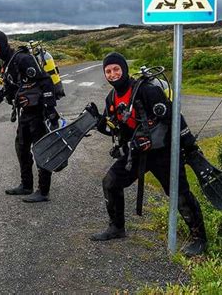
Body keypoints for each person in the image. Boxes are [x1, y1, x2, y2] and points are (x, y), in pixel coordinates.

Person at [86, 52, 207, 256]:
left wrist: (190, 147)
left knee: (179, 193)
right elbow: (114, 128)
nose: (113, 74)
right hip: (137, 153)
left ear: (124, 69)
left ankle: (200, 239)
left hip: (163, 152)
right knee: (110, 182)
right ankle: (117, 228)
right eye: (108, 71)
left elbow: (174, 117)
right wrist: (99, 123)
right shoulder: (111, 98)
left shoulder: (147, 91)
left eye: (116, 69)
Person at [0, 30, 60, 203]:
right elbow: (8, 89)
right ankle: (26, 185)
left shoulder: (22, 59)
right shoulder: (7, 63)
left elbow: (45, 81)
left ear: (3, 44)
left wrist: (51, 109)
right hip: (25, 113)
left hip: (37, 112)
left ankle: (43, 191)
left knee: (40, 150)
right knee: (21, 148)